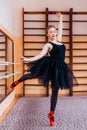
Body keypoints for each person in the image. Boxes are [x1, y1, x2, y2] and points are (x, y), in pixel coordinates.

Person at [10, 12, 76, 126]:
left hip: (60, 69)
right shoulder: (48, 45)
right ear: (47, 35)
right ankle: (17, 81)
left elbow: (61, 28)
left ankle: (51, 114)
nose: (53, 33)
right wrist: (28, 59)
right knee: (32, 75)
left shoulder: (59, 40)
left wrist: (61, 18)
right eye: (51, 32)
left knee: (55, 91)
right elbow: (40, 55)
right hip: (50, 66)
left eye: (54, 31)